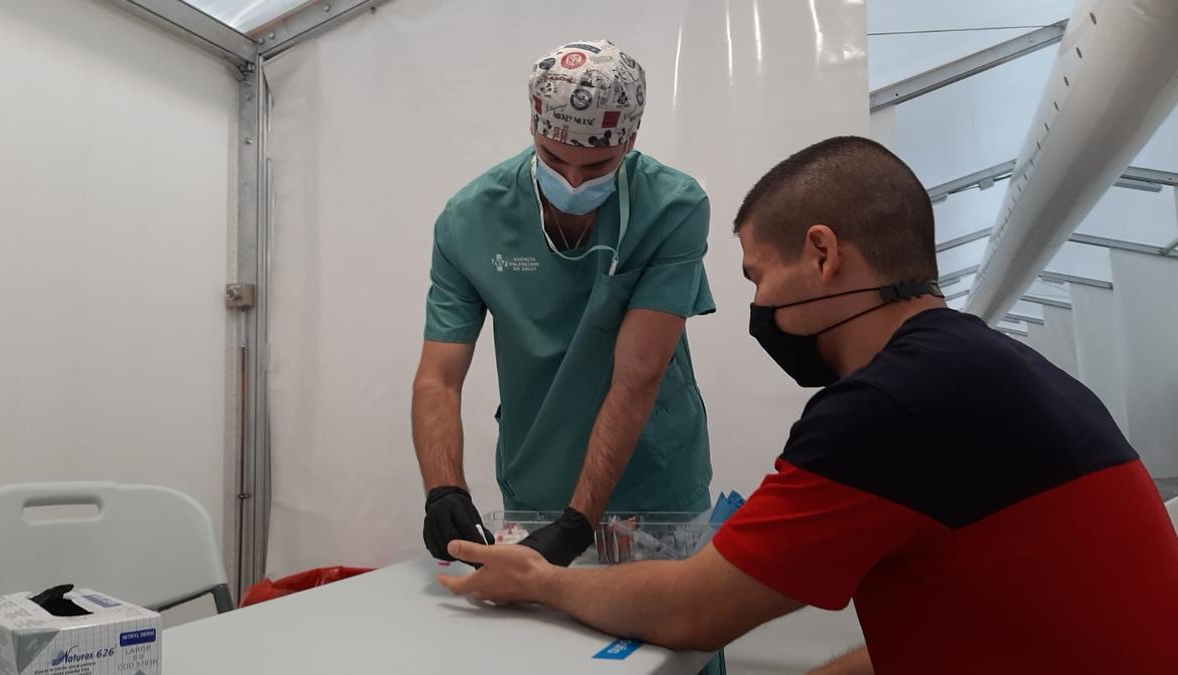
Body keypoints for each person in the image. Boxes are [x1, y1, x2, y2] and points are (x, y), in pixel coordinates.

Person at [438, 136, 1178, 675]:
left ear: (822, 255)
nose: (755, 304)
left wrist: (546, 583)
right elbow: (965, 620)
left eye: (759, 275)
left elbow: (701, 608)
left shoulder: (889, 406)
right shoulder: (1001, 369)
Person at [413, 39, 715, 570]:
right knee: (541, 646)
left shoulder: (671, 207)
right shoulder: (470, 220)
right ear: (533, 128)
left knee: (667, 645)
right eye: (555, 159)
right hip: (537, 480)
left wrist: (579, 523)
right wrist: (444, 489)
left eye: (597, 165)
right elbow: (438, 378)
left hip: (651, 489)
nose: (573, 181)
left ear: (631, 140)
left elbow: (638, 376)